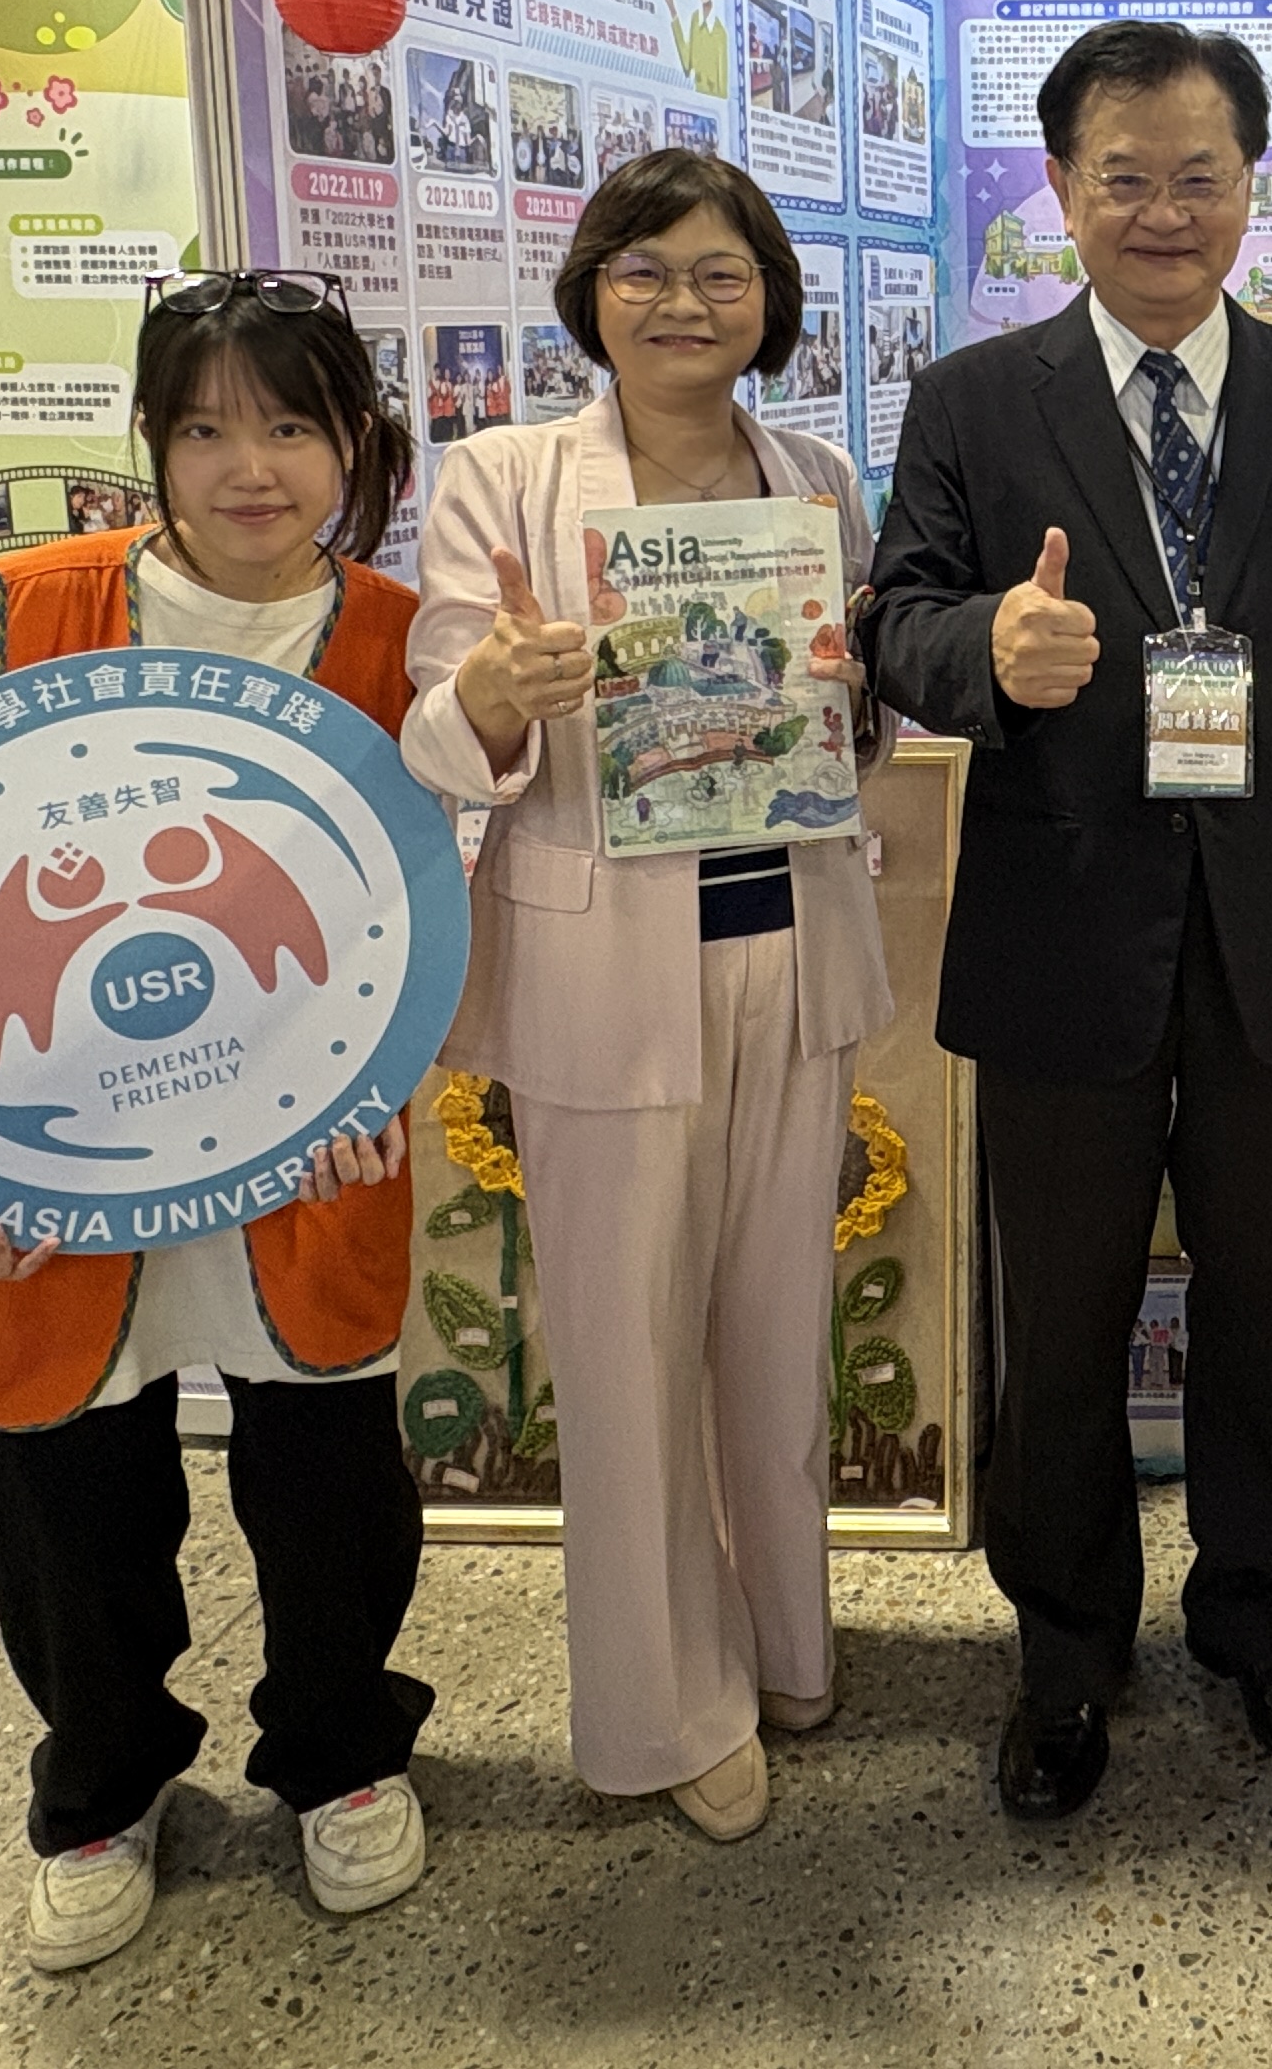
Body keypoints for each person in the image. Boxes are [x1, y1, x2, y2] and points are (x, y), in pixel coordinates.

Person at [866, 19, 1272, 1822]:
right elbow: (896, 621)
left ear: (1249, 186)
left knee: (1271, 1305)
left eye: (1201, 175)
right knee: (1063, 1320)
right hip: (1063, 925)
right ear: (1062, 187)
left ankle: (1263, 1621)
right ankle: (1064, 1648)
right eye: (1125, 176)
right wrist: (988, 648)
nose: (1164, 211)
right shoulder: (974, 401)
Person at [0, 270, 432, 1974]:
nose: (252, 467)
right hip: (53, 1127)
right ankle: (101, 1779)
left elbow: (423, 902)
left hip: (299, 1131)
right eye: (205, 428)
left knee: (327, 1466)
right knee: (58, 1476)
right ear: (152, 443)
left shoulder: (396, 637)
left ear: (354, 441)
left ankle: (339, 1744)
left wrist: (390, 1071)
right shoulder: (34, 609)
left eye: (292, 425)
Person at [402, 150, 895, 1843]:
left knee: (774, 1321)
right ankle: (665, 1703)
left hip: (789, 943)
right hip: (604, 961)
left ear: (770, 301)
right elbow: (442, 733)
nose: (684, 301)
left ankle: (784, 1638)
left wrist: (848, 694)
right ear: (592, 291)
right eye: (646, 269)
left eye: (721, 273)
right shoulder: (506, 476)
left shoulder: (814, 476)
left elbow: (852, 724)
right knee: (621, 1349)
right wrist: (497, 686)